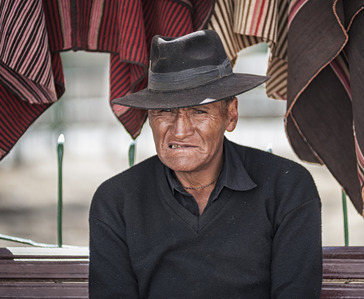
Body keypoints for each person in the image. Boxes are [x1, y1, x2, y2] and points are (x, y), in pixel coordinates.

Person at [89, 29, 322, 298]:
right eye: (165, 111)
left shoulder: (287, 188)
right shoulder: (117, 200)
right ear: (150, 118)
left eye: (199, 111)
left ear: (231, 115)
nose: (179, 130)